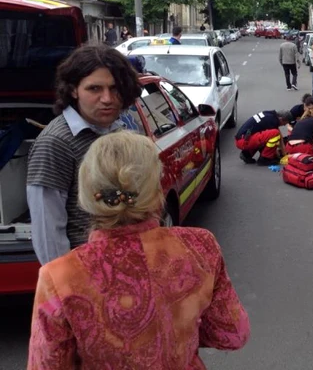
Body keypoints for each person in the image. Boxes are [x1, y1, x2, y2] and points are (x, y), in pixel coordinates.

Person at [27, 132, 250, 368]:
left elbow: (46, 364)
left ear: (86, 195)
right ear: (155, 189)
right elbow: (233, 334)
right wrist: (180, 331)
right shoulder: (200, 246)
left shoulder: (59, 276)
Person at [26, 45, 143, 266]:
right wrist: (66, 287)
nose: (107, 98)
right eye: (94, 89)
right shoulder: (55, 143)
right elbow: (47, 230)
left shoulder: (120, 130)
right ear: (73, 90)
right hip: (86, 277)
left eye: (114, 88)